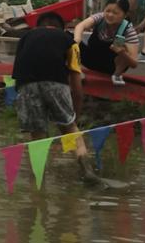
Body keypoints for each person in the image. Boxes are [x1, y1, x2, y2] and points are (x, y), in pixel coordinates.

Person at [13, 11, 97, 180]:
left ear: (37, 27)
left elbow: (18, 69)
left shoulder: (26, 38)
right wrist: (74, 116)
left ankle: (38, 182)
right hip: (56, 83)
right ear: (63, 28)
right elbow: (76, 81)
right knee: (71, 129)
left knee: (38, 136)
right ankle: (87, 171)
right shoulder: (68, 40)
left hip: (26, 85)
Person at [73, 0, 140, 85]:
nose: (110, 15)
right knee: (68, 38)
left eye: (115, 13)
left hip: (111, 67)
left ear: (125, 15)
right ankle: (75, 72)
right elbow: (80, 26)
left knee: (124, 49)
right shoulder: (100, 18)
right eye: (107, 11)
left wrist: (122, 52)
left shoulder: (128, 31)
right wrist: (77, 40)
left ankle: (116, 76)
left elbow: (134, 64)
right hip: (91, 59)